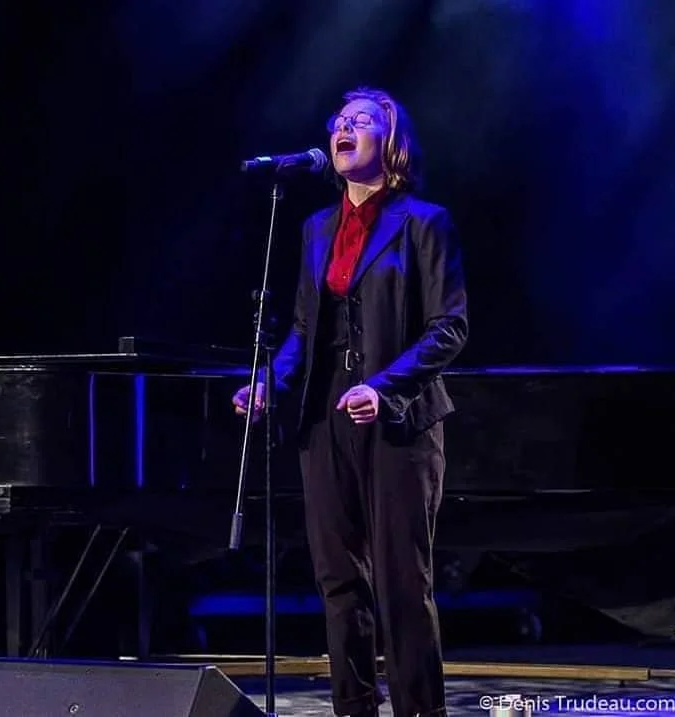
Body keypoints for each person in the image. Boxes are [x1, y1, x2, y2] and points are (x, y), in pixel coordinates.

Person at [233, 87, 468, 717]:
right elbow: (306, 332)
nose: (345, 126)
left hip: (400, 421)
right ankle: (352, 709)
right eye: (340, 119)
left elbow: (450, 327)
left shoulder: (424, 222)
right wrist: (270, 383)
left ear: (389, 143)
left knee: (400, 583)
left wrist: (385, 387)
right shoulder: (316, 228)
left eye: (362, 120)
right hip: (325, 419)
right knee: (338, 581)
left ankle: (420, 710)